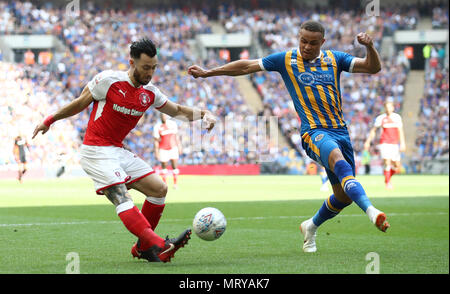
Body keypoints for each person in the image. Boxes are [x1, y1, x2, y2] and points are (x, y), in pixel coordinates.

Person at [188, 20, 389, 253]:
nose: (307, 46)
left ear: (322, 42)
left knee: (342, 197)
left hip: (341, 131)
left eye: (313, 43)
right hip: (314, 132)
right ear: (298, 38)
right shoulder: (286, 60)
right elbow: (246, 67)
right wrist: (208, 73)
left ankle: (310, 226)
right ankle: (371, 211)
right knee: (338, 161)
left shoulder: (336, 59)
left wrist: (370, 47)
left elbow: (372, 67)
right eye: (303, 41)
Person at [32, 38, 216, 262]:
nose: (149, 73)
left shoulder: (150, 92)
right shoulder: (108, 80)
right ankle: (159, 245)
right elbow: (80, 102)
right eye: (145, 67)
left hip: (117, 151)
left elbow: (176, 111)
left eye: (153, 68)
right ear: (132, 62)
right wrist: (50, 120)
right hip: (95, 150)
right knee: (121, 195)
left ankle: (142, 248)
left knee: (159, 189)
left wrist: (204, 113)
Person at [364, 99, 406, 189]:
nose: (388, 109)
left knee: (397, 166)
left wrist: (402, 143)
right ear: (384, 108)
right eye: (386, 107)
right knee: (387, 162)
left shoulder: (397, 117)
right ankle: (388, 183)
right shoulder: (381, 118)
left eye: (390, 107)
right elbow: (373, 130)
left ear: (393, 108)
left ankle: (387, 179)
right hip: (385, 143)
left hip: (395, 144)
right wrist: (368, 141)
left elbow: (400, 131)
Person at [154, 113, 182, 189]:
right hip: (163, 149)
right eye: (162, 116)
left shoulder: (173, 124)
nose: (164, 117)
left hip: (173, 148)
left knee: (175, 166)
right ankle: (165, 184)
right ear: (160, 117)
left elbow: (176, 136)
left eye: (165, 116)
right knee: (164, 167)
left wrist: (179, 146)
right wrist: (156, 152)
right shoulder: (157, 126)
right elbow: (156, 140)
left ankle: (175, 184)